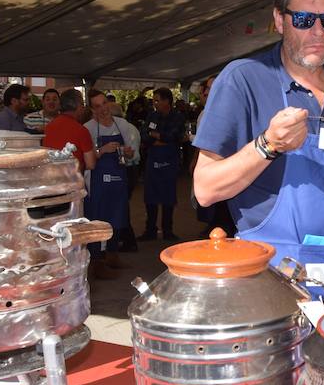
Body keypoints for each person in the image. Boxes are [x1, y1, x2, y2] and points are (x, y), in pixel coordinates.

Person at [193, 0, 324, 306]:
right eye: (303, 20)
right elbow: (205, 189)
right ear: (280, 21)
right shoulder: (245, 79)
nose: (317, 32)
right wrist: (269, 145)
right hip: (270, 274)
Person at [83, 89, 137, 278]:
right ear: (92, 109)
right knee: (98, 218)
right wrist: (102, 150)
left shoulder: (121, 124)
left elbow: (132, 154)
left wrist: (129, 153)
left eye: (104, 103)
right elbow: (86, 159)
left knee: (117, 216)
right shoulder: (88, 128)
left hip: (118, 178)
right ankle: (97, 261)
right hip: (98, 181)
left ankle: (113, 256)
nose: (103, 109)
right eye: (97, 106)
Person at [190, 75, 236, 237]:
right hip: (213, 168)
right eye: (207, 88)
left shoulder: (233, 111)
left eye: (210, 88)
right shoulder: (206, 113)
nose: (206, 93)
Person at [137, 87, 185, 241]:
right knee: (150, 196)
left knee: (168, 196)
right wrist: (159, 138)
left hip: (169, 160)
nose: (154, 103)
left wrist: (158, 137)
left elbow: (174, 136)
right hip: (153, 159)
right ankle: (150, 230)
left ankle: (167, 230)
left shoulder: (177, 117)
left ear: (167, 101)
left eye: (157, 100)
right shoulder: (152, 115)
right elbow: (144, 136)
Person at [42, 89, 96, 172]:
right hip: (73, 180)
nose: (83, 108)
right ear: (78, 105)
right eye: (82, 104)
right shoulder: (82, 130)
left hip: (52, 178)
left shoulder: (48, 127)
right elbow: (90, 164)